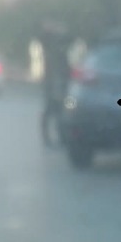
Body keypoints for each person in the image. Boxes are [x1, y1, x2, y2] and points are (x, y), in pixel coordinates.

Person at [40, 20, 72, 148]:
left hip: (60, 81)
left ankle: (61, 137)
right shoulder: (50, 46)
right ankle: (49, 137)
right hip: (53, 81)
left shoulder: (61, 48)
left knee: (60, 110)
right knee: (52, 109)